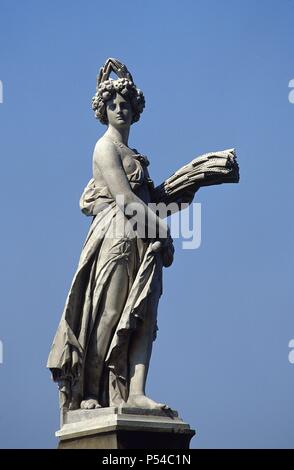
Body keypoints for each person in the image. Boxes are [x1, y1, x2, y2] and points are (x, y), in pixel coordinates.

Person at [47, 59, 195, 411]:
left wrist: (193, 182)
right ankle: (90, 392)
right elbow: (125, 200)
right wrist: (164, 230)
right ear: (103, 110)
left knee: (144, 317)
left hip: (145, 241)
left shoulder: (135, 155)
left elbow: (147, 201)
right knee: (110, 313)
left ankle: (136, 393)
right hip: (116, 238)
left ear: (135, 110)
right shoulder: (104, 147)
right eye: (112, 104)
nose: (119, 110)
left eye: (125, 104)